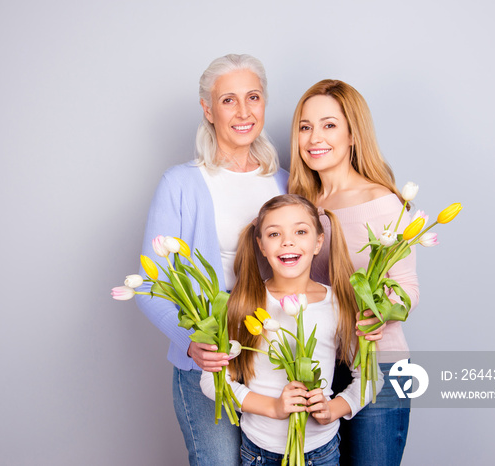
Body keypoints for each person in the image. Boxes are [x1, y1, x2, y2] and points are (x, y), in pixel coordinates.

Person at [135, 54, 288, 466]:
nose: (243, 112)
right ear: (208, 109)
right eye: (228, 100)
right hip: (209, 361)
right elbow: (150, 284)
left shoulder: (286, 183)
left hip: (273, 357)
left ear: (264, 103)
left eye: (253, 97)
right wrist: (192, 345)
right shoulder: (181, 184)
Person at [288, 79, 420, 465]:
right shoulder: (300, 206)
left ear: (352, 135)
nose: (315, 137)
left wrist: (383, 310)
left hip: (379, 368)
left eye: (329, 125)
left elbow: (407, 287)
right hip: (320, 367)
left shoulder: (382, 201)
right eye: (305, 126)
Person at [200, 194, 383, 466]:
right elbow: (212, 383)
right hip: (260, 453)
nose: (288, 241)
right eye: (274, 234)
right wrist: (273, 407)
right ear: (261, 245)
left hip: (322, 452)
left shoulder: (340, 303)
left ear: (318, 241)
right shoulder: (244, 303)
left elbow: (372, 378)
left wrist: (333, 409)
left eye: (300, 231)